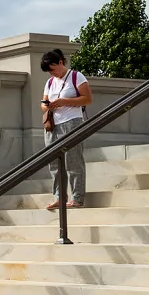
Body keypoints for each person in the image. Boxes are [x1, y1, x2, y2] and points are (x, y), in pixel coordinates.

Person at [40, 49, 93, 210]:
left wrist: (64, 101)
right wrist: (47, 106)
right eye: (48, 70)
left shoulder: (76, 76)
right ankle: (59, 197)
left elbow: (88, 99)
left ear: (61, 62)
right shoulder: (50, 82)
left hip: (72, 122)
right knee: (54, 163)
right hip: (53, 125)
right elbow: (43, 103)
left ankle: (77, 197)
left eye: (52, 68)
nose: (51, 73)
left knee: (73, 161)